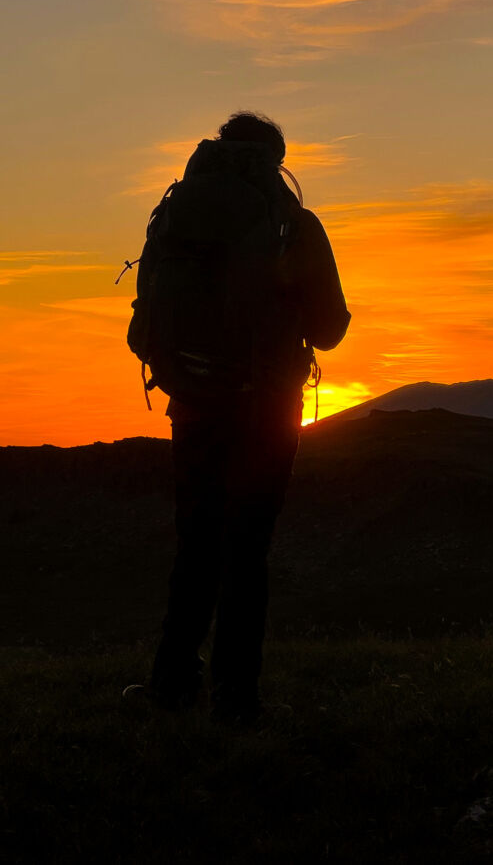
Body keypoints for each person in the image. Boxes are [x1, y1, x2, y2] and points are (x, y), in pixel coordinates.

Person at [126, 112, 350, 722]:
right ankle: (236, 699)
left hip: (194, 401)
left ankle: (171, 685)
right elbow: (329, 329)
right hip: (268, 407)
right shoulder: (292, 223)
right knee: (247, 550)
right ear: (276, 160)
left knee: (195, 544)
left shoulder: (176, 214)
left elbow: (143, 323)